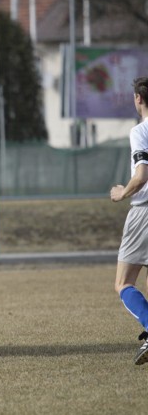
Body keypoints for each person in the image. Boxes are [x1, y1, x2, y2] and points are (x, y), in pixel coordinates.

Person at [110, 76, 148, 366]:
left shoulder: (140, 131)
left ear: (138, 99)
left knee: (123, 283)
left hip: (144, 210)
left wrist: (123, 192)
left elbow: (141, 175)